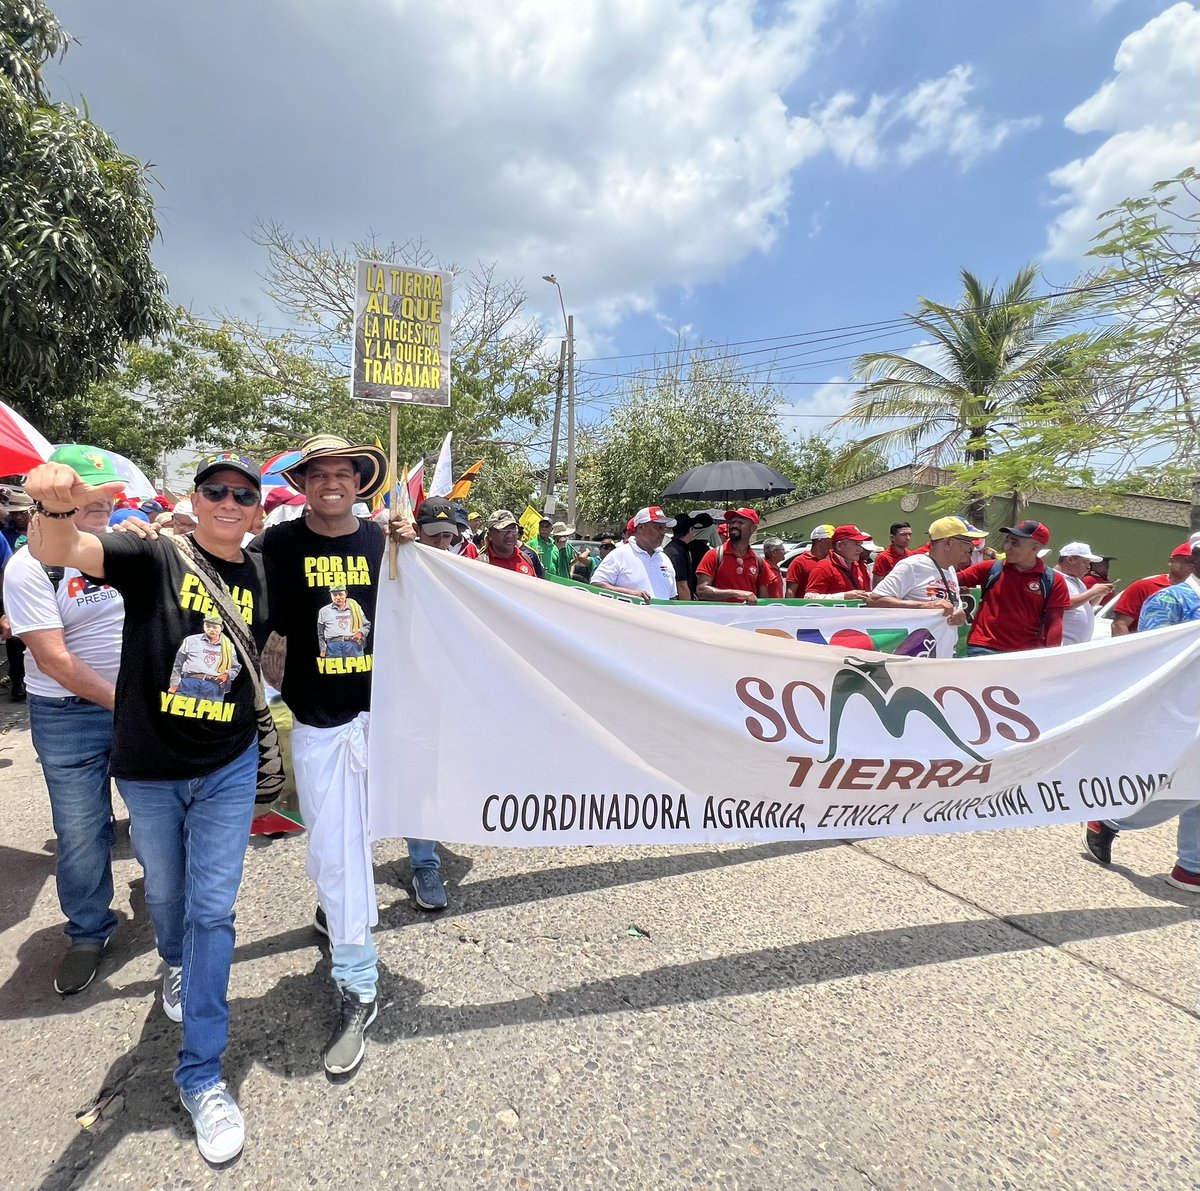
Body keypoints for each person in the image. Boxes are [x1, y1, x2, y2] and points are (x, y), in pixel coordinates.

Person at [25, 449, 270, 1165]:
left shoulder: (260, 572)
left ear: (257, 509)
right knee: (165, 893)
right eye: (216, 490)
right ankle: (172, 959)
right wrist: (53, 504)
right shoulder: (153, 556)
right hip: (150, 770)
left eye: (243, 494)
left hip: (227, 766)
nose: (229, 502)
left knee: (211, 910)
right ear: (196, 500)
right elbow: (61, 547)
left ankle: (201, 1072)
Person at [265, 434, 426, 1083]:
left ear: (360, 480)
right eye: (319, 473)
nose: (332, 482)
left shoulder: (385, 542)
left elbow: (422, 615)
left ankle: (360, 986)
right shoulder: (279, 545)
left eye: (343, 472)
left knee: (352, 845)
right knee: (332, 850)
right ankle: (339, 915)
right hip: (317, 725)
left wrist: (413, 549)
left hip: (374, 722)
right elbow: (248, 610)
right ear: (304, 482)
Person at [3, 445, 129, 994]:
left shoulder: (124, 545)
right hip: (69, 715)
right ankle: (87, 931)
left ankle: (169, 902)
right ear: (57, 500)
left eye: (107, 495)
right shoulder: (30, 563)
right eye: (88, 495)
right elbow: (54, 660)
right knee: (81, 831)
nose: (102, 505)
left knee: (159, 817)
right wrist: (128, 705)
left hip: (139, 705)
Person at [1085, 543, 1200, 892]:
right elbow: (1153, 656)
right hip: (1180, 712)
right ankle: (1110, 819)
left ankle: (1191, 867)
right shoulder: (1170, 600)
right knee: (1183, 786)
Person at [867, 516, 981, 657]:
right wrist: (924, 606)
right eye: (967, 541)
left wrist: (959, 613)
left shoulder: (950, 570)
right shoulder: (912, 566)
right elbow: (874, 600)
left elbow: (951, 606)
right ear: (948, 542)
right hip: (914, 660)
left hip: (941, 658)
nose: (972, 547)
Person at [957, 521, 1071, 654]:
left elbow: (1055, 623)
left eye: (1014, 543)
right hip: (982, 648)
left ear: (1035, 548)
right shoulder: (991, 568)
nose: (1006, 547)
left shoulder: (1053, 580)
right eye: (1007, 541)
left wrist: (1051, 657)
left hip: (1024, 656)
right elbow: (946, 581)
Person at [591, 506, 681, 602]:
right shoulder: (620, 554)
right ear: (641, 527)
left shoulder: (665, 560)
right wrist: (631, 594)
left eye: (664, 528)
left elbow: (672, 597)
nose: (663, 532)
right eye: (658, 527)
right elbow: (596, 585)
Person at [1110, 544, 1192, 635]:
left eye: (1195, 561)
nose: (1191, 565)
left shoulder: (1195, 592)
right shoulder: (1143, 587)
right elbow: (1119, 624)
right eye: (1186, 560)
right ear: (1171, 561)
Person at [695, 508, 762, 603]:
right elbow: (701, 590)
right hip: (718, 617)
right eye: (732, 522)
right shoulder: (714, 555)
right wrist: (736, 594)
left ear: (753, 528)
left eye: (740, 522)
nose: (734, 525)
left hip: (748, 617)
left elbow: (765, 598)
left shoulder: (758, 561)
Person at [1054, 542, 1115, 646]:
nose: (1088, 567)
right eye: (1085, 562)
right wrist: (1093, 591)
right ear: (1070, 560)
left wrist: (1100, 594)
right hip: (1062, 644)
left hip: (1076, 645)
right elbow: (1066, 604)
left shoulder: (1077, 581)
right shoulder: (1054, 578)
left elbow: (1087, 605)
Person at [805, 525, 873, 598]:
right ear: (839, 545)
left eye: (860, 545)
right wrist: (843, 596)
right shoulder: (824, 567)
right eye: (856, 544)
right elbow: (809, 597)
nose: (860, 550)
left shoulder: (857, 565)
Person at [480, 510, 544, 576]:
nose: (509, 535)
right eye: (503, 530)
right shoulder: (480, 564)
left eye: (513, 529)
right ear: (490, 535)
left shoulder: (527, 559)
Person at [663, 512, 711, 600]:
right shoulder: (677, 552)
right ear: (690, 530)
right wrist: (688, 606)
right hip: (677, 603)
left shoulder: (676, 548)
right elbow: (681, 585)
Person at [785, 524, 833, 598]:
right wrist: (790, 608)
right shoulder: (799, 562)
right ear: (820, 541)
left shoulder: (831, 561)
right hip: (805, 607)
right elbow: (791, 590)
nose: (834, 543)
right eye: (831, 540)